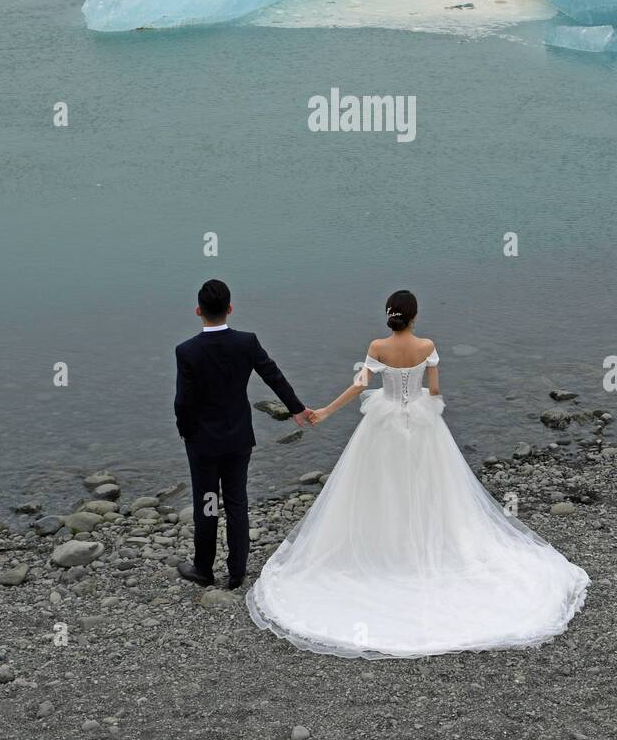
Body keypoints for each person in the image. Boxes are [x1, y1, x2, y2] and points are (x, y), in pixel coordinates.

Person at [246, 289, 589, 658]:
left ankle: (385, 550)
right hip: (422, 423)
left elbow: (361, 385)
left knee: (380, 487)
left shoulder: (377, 347)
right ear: (414, 316)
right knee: (432, 487)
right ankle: (426, 546)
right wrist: (420, 398)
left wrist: (326, 412)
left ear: (389, 316)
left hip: (383, 421)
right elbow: (436, 390)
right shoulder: (427, 346)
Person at [174, 279, 313, 589]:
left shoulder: (187, 351)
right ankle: (237, 573)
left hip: (203, 443)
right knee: (237, 501)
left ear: (198, 311)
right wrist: (297, 409)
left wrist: (185, 432)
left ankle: (203, 569)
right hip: (238, 438)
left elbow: (183, 401)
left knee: (208, 502)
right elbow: (273, 376)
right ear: (230, 309)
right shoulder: (246, 342)